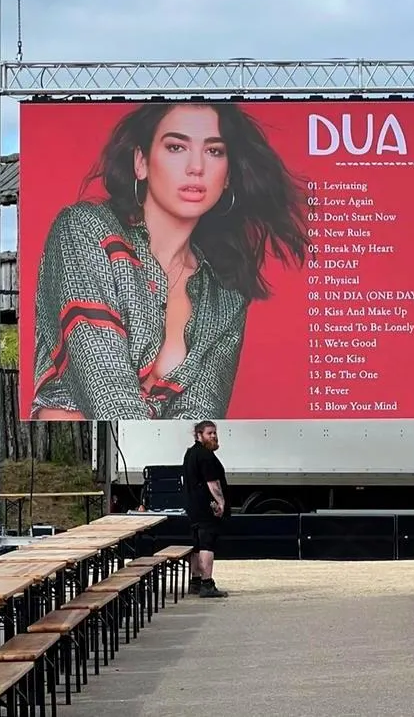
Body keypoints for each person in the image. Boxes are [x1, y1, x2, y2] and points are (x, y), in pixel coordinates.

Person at [30, 101, 308, 421]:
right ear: (141, 162)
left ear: (228, 175)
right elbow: (105, 386)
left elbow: (197, 417)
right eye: (176, 147)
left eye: (214, 151)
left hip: (156, 459)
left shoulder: (226, 296)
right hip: (76, 460)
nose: (196, 167)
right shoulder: (84, 229)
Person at [183, 419, 229, 597]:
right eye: (210, 433)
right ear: (199, 435)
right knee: (207, 545)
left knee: (196, 545)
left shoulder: (191, 454)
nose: (214, 436)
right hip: (205, 507)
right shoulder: (205, 455)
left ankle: (195, 581)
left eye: (215, 433)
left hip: (193, 507)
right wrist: (221, 502)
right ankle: (207, 584)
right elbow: (212, 483)